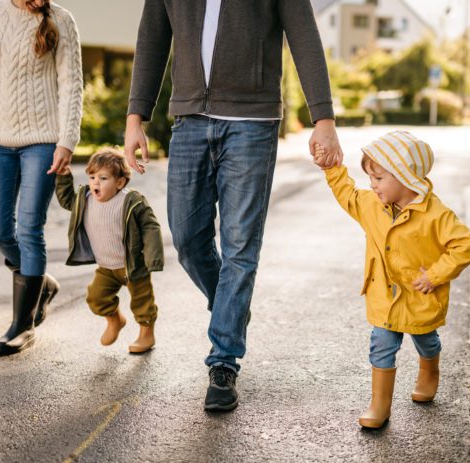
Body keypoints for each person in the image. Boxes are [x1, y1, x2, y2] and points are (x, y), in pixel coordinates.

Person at [124, 0, 343, 412]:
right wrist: (137, 117)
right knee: (187, 238)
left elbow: (305, 37)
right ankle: (231, 306)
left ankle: (223, 360)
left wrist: (323, 118)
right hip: (189, 118)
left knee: (241, 245)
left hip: (252, 122)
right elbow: (152, 38)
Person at [313, 131, 470, 429]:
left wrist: (435, 275)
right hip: (385, 298)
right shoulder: (372, 206)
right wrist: (332, 169)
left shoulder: (436, 215)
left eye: (378, 179)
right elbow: (348, 194)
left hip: (420, 298)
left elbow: (466, 244)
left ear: (405, 177)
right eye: (370, 178)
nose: (372, 185)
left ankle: (429, 371)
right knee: (381, 345)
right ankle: (379, 405)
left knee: (426, 341)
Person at [0, 0, 83, 355]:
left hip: (43, 143)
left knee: (29, 228)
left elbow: (72, 86)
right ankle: (40, 282)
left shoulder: (61, 19)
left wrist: (67, 142)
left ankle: (21, 325)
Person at [55, 148, 164, 353]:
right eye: (92, 177)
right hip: (106, 267)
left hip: (133, 266)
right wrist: (63, 177)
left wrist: (153, 257)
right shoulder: (85, 199)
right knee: (96, 297)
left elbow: (151, 226)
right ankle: (115, 320)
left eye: (103, 178)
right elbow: (66, 199)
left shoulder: (131, 201)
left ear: (120, 183)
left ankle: (146, 335)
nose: (95, 182)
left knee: (143, 303)